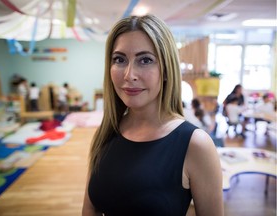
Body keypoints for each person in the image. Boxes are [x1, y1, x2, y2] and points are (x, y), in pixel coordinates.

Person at [82, 14, 223, 216]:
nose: (129, 74)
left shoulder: (195, 144)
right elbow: (90, 208)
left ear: (166, 70)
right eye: (119, 59)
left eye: (145, 60)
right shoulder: (107, 131)